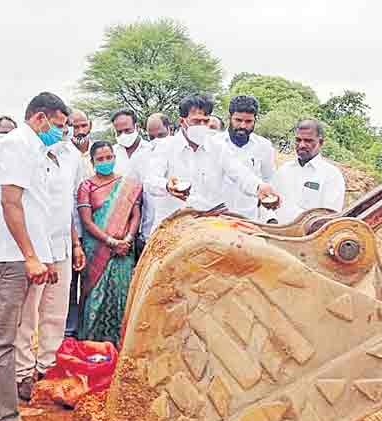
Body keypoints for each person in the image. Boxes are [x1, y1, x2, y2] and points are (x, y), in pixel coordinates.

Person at [0, 92, 71, 421]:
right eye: (58, 126)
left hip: (24, 254)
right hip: (9, 255)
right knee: (4, 339)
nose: (62, 133)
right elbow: (10, 202)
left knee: (17, 332)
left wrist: (43, 256)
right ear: (41, 118)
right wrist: (31, 256)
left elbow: (36, 209)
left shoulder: (34, 150)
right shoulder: (17, 145)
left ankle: (7, 404)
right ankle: (5, 416)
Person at [13, 116, 87, 400]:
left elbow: (67, 206)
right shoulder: (29, 152)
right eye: (60, 124)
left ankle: (49, 366)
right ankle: (22, 373)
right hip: (34, 246)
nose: (64, 130)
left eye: (67, 125)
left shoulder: (71, 156)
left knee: (56, 312)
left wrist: (75, 244)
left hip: (62, 245)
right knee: (27, 313)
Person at [145, 95, 279, 225]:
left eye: (206, 121)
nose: (202, 125)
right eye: (196, 121)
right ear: (182, 122)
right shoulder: (165, 147)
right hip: (172, 226)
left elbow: (240, 174)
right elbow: (150, 181)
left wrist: (259, 187)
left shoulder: (218, 148)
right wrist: (167, 186)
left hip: (207, 228)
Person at [77, 141, 142, 347]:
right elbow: (86, 222)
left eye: (109, 157)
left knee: (121, 297)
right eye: (100, 159)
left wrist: (127, 240)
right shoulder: (86, 186)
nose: (105, 162)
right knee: (95, 298)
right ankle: (91, 346)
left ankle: (120, 348)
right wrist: (111, 241)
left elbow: (135, 215)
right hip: (97, 249)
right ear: (92, 161)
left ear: (115, 157)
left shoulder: (128, 184)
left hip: (124, 251)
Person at [208, 95, 276, 220]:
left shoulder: (264, 146)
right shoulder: (213, 144)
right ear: (230, 118)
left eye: (248, 121)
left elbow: (268, 181)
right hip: (216, 218)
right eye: (238, 120)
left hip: (249, 220)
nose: (243, 126)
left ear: (255, 120)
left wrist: (269, 217)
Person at [269, 119, 346, 224]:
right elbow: (270, 202)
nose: (302, 145)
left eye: (308, 141)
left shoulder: (331, 175)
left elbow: (329, 217)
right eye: (298, 140)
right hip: (276, 234)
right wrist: (271, 220)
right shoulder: (284, 170)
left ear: (320, 142)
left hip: (308, 238)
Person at [62, 109, 93, 338]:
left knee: (93, 284)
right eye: (75, 126)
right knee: (69, 286)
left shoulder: (102, 152)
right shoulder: (63, 154)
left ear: (90, 125)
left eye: (84, 126)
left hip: (98, 231)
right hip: (70, 231)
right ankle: (69, 334)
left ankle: (90, 332)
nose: (80, 131)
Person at [111, 109, 155, 257]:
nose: (123, 135)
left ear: (137, 127)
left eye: (127, 130)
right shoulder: (112, 154)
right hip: (121, 227)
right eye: (119, 132)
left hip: (150, 223)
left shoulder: (152, 151)